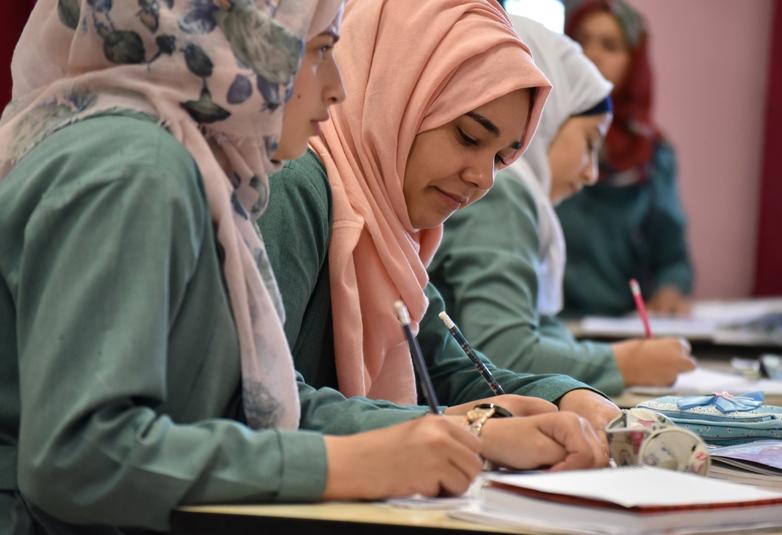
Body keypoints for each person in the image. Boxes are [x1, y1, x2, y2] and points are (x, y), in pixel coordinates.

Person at [0, 2, 562, 533]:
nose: (338, 87)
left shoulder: (199, 172)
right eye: (318, 51)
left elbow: (260, 403)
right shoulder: (133, 167)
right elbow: (78, 459)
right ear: (231, 42)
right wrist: (347, 465)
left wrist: (465, 434)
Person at [259, 0, 621, 453]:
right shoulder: (295, 188)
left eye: (501, 157)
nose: (484, 178)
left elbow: (453, 373)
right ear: (395, 95)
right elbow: (266, 406)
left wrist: (569, 396)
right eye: (468, 136)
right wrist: (467, 428)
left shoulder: (389, 227)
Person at [428, 15, 696, 396]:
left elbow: (532, 329)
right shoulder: (502, 196)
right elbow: (506, 353)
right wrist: (625, 363)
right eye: (589, 144)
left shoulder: (515, 195)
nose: (590, 174)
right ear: (547, 122)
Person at [555, 0, 694, 317]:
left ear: (635, 62)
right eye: (579, 40)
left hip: (621, 330)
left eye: (610, 45)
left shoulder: (652, 155)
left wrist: (670, 290)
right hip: (544, 323)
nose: (590, 54)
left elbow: (674, 258)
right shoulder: (533, 133)